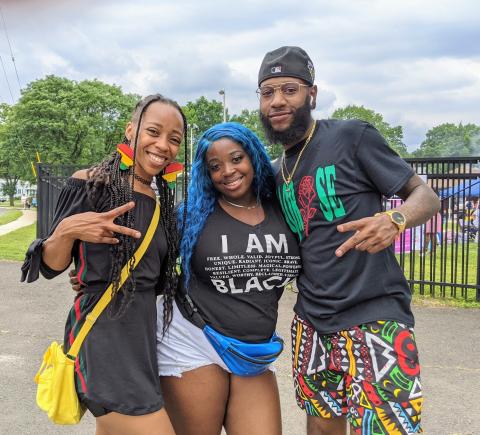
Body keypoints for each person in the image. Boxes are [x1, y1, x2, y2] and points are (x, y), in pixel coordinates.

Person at [257, 46, 440, 435]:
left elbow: (425, 196)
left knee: (388, 429)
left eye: (289, 89)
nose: (277, 101)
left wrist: (395, 219)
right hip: (311, 320)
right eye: (267, 92)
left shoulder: (351, 136)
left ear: (312, 93)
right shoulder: (274, 172)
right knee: (321, 427)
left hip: (374, 316)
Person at [21, 94, 187, 435]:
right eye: (153, 131)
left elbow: (153, 282)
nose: (163, 145)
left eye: (174, 139)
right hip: (102, 335)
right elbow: (53, 265)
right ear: (130, 130)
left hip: (139, 338)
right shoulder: (92, 183)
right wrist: (68, 230)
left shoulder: (160, 201)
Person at [157, 122, 302, 435]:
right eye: (215, 166)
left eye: (237, 159)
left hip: (254, 351)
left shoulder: (282, 210)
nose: (228, 171)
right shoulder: (191, 214)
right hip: (193, 342)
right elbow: (147, 260)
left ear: (252, 157)